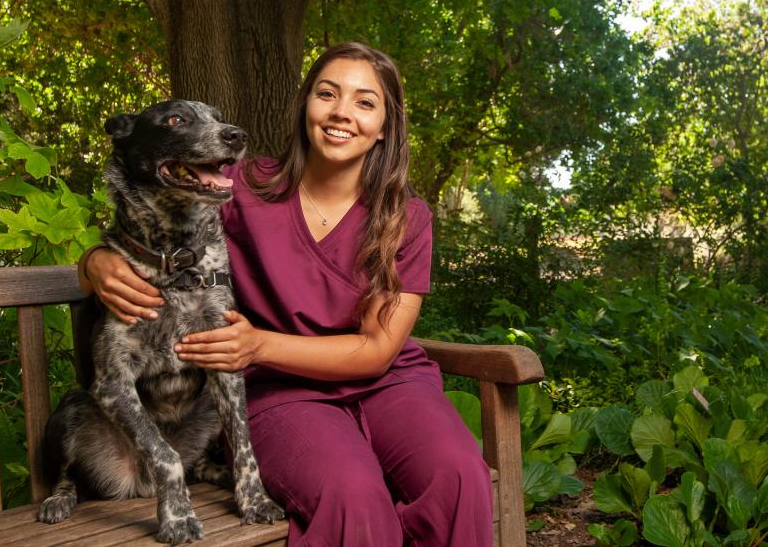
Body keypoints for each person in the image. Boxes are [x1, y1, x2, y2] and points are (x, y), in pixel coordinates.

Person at [78, 42, 493, 545]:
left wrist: (259, 344)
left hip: (389, 383)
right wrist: (93, 262)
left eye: (365, 102)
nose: (342, 112)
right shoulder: (239, 188)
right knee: (351, 494)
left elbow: (378, 350)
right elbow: (150, 224)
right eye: (327, 94)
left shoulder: (406, 217)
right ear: (305, 107)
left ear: (385, 126)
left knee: (458, 475)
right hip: (280, 392)